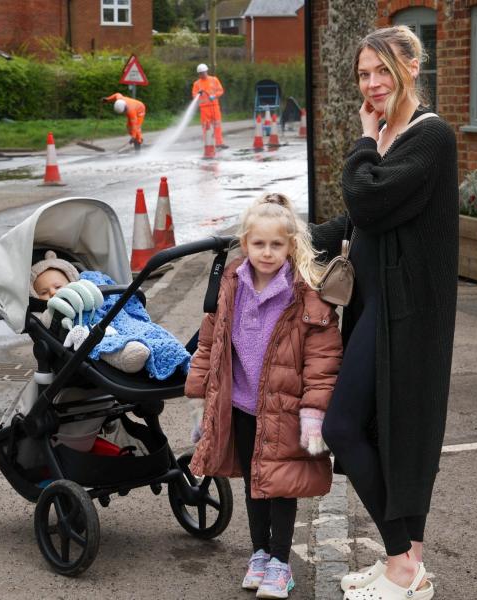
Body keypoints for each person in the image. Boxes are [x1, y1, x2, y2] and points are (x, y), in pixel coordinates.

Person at [311, 26, 459, 600]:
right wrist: (285, 238)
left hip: (409, 313)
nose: (372, 85)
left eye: (383, 72)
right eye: (364, 75)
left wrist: (363, 141)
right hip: (379, 304)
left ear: (412, 68)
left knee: (343, 426)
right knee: (392, 436)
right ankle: (407, 564)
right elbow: (357, 225)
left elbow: (366, 199)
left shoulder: (429, 137)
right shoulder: (390, 137)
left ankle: (402, 562)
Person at [186, 193, 342, 599]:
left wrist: (314, 410)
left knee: (281, 486)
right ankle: (259, 553)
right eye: (259, 244)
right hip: (240, 404)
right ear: (245, 244)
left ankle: (280, 563)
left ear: (290, 245)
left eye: (277, 245)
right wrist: (203, 399)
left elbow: (323, 357)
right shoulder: (231, 284)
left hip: (284, 408)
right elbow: (211, 342)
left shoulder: (305, 292)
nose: (268, 253)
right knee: (255, 483)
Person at [30, 251, 150, 374]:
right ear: (34, 296)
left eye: (58, 287)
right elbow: (45, 321)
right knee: (102, 341)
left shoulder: (87, 290)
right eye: (43, 293)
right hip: (85, 344)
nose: (53, 293)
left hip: (109, 321)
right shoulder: (45, 315)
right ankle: (124, 354)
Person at [191, 63, 227, 148]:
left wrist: (214, 96)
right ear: (198, 74)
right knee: (205, 127)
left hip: (214, 106)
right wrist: (198, 94)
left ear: (206, 71)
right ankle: (208, 143)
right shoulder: (197, 83)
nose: (202, 74)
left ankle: (219, 143)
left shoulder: (214, 80)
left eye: (204, 72)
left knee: (217, 125)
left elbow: (220, 90)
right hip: (204, 109)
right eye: (200, 73)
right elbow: (194, 95)